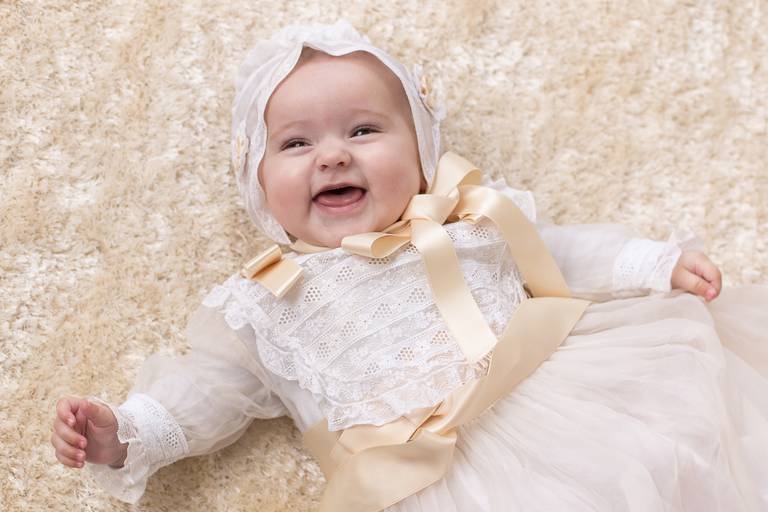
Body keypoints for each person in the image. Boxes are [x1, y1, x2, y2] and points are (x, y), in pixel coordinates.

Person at [51, 20, 768, 511]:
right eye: (296, 144)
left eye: (365, 130)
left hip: (569, 399)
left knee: (680, 452)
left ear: (422, 151)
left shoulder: (464, 221)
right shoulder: (267, 301)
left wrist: (653, 262)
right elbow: (209, 391)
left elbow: (561, 252)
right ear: (256, 183)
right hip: (427, 481)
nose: (334, 155)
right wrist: (126, 431)